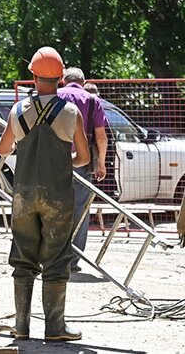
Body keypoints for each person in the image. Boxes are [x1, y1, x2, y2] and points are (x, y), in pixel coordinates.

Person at [0, 47, 89, 341]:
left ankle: (21, 327)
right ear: (61, 79)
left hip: (23, 195)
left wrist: (23, 151)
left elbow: (2, 149)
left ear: (33, 76)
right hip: (58, 196)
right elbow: (84, 157)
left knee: (23, 257)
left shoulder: (17, 110)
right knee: (57, 256)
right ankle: (55, 328)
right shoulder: (71, 112)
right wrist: (64, 163)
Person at [57, 68, 109, 273]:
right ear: (84, 81)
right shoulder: (92, 100)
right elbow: (101, 137)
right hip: (81, 163)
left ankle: (52, 257)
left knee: (54, 208)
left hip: (55, 162)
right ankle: (72, 260)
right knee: (80, 209)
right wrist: (101, 163)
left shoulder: (54, 96)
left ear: (63, 80)